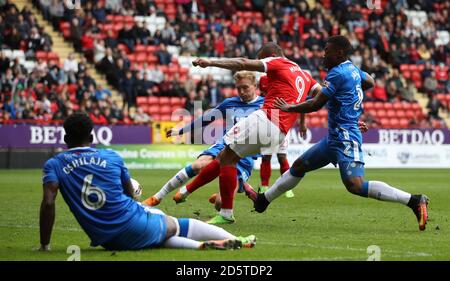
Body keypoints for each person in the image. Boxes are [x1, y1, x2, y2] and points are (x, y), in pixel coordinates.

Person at [247, 36, 429, 231]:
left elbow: (316, 103)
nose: (324, 55)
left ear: (339, 53)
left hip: (346, 137)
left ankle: (414, 200)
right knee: (299, 166)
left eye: (327, 51)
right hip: (333, 138)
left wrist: (290, 108)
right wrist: (350, 104)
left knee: (355, 185)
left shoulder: (337, 73)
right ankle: (264, 200)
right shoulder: (351, 69)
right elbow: (369, 81)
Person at [38, 113, 256, 252]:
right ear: (92, 138)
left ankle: (201, 246)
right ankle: (234, 239)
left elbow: (48, 203)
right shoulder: (112, 157)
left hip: (107, 239)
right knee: (174, 224)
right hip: (130, 221)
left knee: (157, 236)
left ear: (66, 139)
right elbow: (130, 196)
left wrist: (45, 245)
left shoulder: (54, 164)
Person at [191, 42, 321, 224]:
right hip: (281, 131)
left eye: (262, 58)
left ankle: (226, 213)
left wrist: (210, 63)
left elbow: (243, 63)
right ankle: (239, 193)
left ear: (273, 54)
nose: (262, 64)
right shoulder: (305, 74)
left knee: (226, 158)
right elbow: (322, 95)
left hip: (266, 119)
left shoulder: (277, 62)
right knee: (226, 156)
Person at [142, 71, 263, 221]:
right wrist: (181, 130)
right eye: (239, 88)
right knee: (198, 165)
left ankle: (240, 187)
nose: (242, 92)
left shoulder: (265, 104)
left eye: (246, 87)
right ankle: (157, 197)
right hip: (225, 143)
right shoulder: (230, 103)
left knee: (220, 204)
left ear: (255, 86)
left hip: (246, 155)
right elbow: (205, 120)